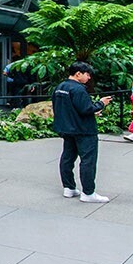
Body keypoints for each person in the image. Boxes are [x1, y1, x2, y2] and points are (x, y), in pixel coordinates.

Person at [53, 61, 114, 203]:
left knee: (67, 157)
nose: (89, 78)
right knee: (88, 160)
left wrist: (92, 111)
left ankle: (69, 188)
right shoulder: (79, 89)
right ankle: (88, 192)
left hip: (67, 129)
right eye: (87, 74)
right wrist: (101, 104)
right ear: (78, 73)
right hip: (84, 130)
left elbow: (67, 108)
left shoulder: (60, 87)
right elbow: (86, 109)